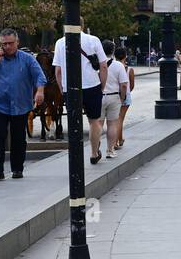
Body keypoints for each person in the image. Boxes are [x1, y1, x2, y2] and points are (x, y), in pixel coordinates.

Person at [0, 28, 46, 181]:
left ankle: (17, 169)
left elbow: (39, 76)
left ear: (17, 42)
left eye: (10, 43)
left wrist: (40, 91)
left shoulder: (27, 58)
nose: (8, 47)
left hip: (20, 104)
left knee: (18, 138)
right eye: (4, 44)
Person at [52, 20, 109, 164]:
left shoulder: (60, 43)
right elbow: (103, 66)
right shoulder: (93, 40)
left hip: (69, 87)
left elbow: (58, 71)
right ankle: (94, 152)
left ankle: (76, 154)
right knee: (94, 120)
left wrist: (62, 88)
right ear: (83, 26)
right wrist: (102, 86)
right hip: (92, 85)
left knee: (73, 120)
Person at [99, 39, 129, 160]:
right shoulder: (118, 66)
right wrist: (122, 98)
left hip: (99, 97)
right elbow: (124, 85)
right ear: (113, 51)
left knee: (97, 124)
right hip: (113, 96)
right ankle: (110, 150)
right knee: (112, 124)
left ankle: (96, 149)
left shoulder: (96, 64)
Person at [114, 46, 135, 149]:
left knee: (115, 119)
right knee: (120, 119)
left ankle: (120, 139)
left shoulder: (112, 67)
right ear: (125, 56)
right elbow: (131, 86)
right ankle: (116, 141)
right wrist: (126, 92)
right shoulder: (129, 69)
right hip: (125, 96)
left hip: (113, 95)